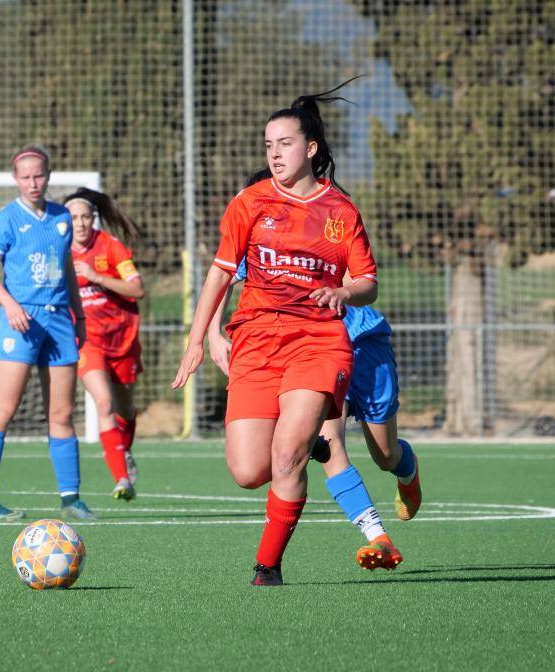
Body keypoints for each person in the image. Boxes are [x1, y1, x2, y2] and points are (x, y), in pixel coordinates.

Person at [173, 84, 402, 586]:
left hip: (318, 341)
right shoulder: (250, 202)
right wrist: (197, 339)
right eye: (268, 146)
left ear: (311, 148)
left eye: (285, 144)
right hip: (256, 340)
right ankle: (307, 443)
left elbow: (368, 282)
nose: (275, 154)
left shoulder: (341, 212)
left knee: (287, 456)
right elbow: (219, 273)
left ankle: (268, 566)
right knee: (248, 471)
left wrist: (344, 292)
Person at [208, 259, 422, 524]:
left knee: (386, 455)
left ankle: (408, 471)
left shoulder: (339, 236)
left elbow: (361, 283)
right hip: (317, 351)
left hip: (367, 345)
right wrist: (213, 332)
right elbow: (224, 275)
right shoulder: (268, 242)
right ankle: (375, 533)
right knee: (331, 443)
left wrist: (328, 280)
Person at [0, 144, 96, 522]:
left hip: (59, 322)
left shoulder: (61, 217)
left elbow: (67, 268)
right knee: (2, 409)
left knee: (62, 412)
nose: (33, 183)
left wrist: (79, 315)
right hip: (20, 322)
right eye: (25, 177)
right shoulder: (6, 219)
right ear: (15, 179)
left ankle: (71, 498)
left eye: (39, 175)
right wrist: (10, 305)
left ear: (48, 176)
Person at [65, 188, 145, 501]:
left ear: (93, 219)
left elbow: (136, 289)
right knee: (103, 402)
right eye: (74, 218)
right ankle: (121, 479)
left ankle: (124, 449)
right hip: (87, 340)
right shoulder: (59, 251)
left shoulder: (111, 247)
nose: (80, 223)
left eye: (85, 217)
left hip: (123, 337)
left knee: (125, 407)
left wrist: (96, 277)